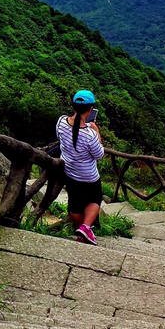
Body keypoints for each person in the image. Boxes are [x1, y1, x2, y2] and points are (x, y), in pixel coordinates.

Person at [55, 89, 105, 245]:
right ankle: (85, 227)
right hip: (89, 177)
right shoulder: (89, 134)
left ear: (73, 106)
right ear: (90, 110)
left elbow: (60, 137)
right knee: (95, 200)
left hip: (70, 172)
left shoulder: (61, 121)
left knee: (75, 206)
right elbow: (99, 155)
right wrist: (96, 132)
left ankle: (81, 229)